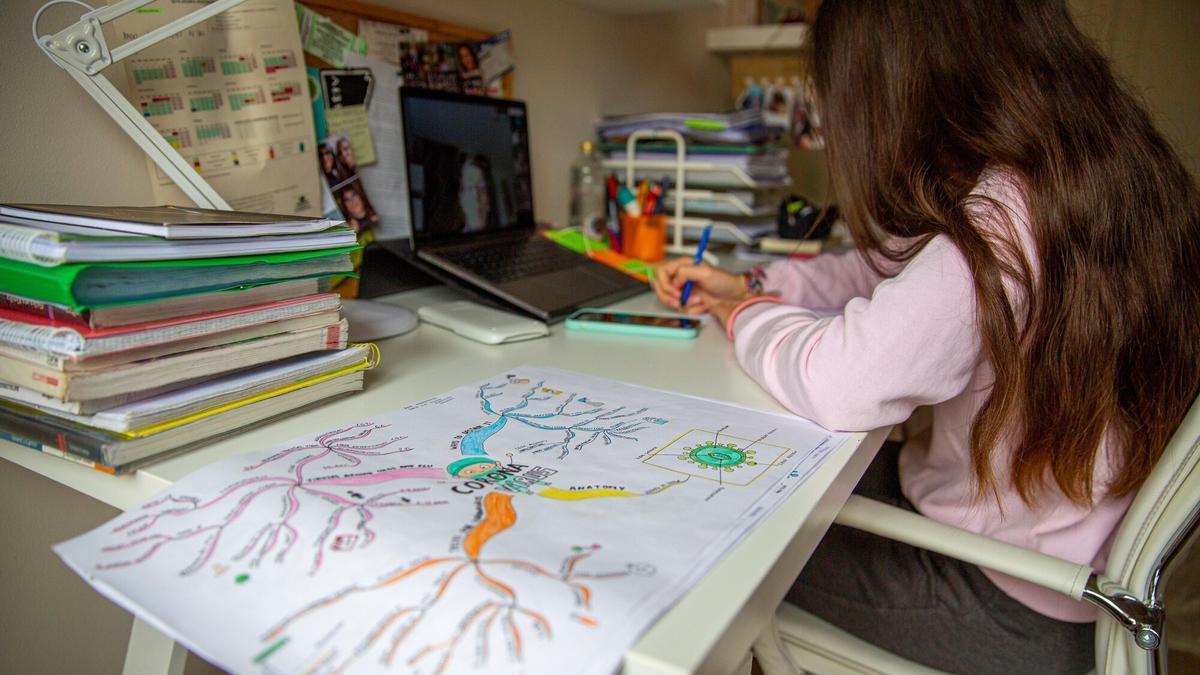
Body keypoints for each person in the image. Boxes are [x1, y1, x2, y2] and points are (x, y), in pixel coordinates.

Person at [654, 1, 1200, 672]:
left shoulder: (1002, 216)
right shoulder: (1095, 171)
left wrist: (741, 317)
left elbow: (842, 380)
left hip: (999, 598)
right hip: (1049, 562)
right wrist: (754, 283)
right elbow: (880, 266)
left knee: (722, 531)